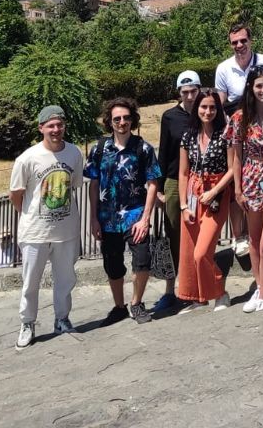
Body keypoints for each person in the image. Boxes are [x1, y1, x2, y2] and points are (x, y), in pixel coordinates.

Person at [9, 105, 84, 349]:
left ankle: (61, 318)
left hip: (66, 229)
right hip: (35, 231)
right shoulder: (27, 158)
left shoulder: (73, 153)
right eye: (50, 125)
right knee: (31, 281)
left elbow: (73, 184)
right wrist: (28, 214)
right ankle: (27, 322)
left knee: (65, 279)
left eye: (59, 124)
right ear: (41, 128)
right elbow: (16, 194)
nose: (56, 129)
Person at [86, 97, 162, 326]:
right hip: (107, 218)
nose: (122, 122)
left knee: (142, 259)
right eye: (117, 118)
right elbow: (94, 183)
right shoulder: (100, 149)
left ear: (133, 120)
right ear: (109, 121)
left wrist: (146, 218)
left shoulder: (143, 148)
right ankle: (119, 306)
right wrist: (93, 219)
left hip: (135, 215)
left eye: (126, 118)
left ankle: (136, 303)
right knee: (112, 263)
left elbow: (153, 183)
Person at [225, 65, 263, 314]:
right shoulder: (241, 117)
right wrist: (238, 189)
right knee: (253, 239)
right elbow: (237, 157)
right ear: (251, 87)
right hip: (251, 181)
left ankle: (262, 292)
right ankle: (262, 290)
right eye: (259, 85)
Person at [176, 90, 234, 312]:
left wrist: (214, 191)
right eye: (203, 107)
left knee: (202, 253)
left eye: (212, 107)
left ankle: (220, 291)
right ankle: (195, 296)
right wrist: (183, 205)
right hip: (192, 192)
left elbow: (232, 170)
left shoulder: (224, 134)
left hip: (216, 194)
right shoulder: (188, 136)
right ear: (196, 108)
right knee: (189, 250)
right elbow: (183, 173)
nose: (208, 111)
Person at [213, 22, 263, 264]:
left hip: (262, 128)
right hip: (235, 130)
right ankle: (238, 235)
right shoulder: (223, 68)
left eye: (243, 40)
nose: (239, 46)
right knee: (237, 182)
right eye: (234, 42)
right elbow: (221, 105)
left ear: (250, 40)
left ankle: (262, 232)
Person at [154, 70, 202, 313]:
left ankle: (197, 286)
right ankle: (170, 289)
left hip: (202, 180)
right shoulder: (170, 117)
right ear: (179, 93)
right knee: (173, 234)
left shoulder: (207, 111)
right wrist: (160, 188)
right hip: (175, 180)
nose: (190, 96)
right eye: (185, 92)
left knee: (199, 235)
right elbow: (163, 152)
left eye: (194, 91)